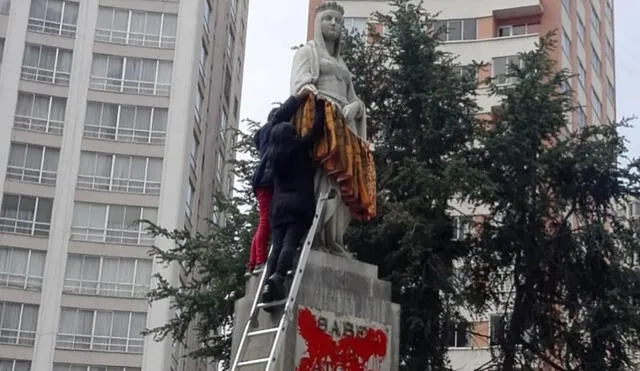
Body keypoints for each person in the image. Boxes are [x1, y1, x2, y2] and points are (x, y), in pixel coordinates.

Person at [261, 95, 326, 306]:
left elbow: (277, 120)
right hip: (299, 205)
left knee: (277, 244)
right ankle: (278, 277)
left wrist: (295, 101)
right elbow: (316, 131)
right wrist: (319, 106)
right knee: (290, 243)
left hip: (278, 209)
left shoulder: (273, 156)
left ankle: (268, 284)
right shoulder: (298, 149)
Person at [245, 107, 279, 277]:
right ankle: (259, 261)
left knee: (262, 220)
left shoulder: (263, 134)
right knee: (266, 219)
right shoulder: (273, 129)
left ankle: (252, 263)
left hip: (260, 179)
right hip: (266, 179)